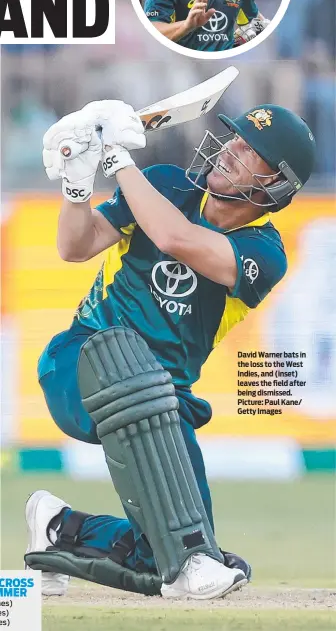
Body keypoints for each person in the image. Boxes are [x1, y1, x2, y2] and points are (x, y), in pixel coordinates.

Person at [25, 98, 315, 601]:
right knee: (190, 553)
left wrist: (116, 160)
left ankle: (58, 528)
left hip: (163, 403)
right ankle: (189, 560)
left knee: (171, 554)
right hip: (80, 363)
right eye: (233, 139)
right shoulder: (165, 184)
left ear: (274, 183)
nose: (228, 150)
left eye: (249, 151)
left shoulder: (264, 255)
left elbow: (176, 238)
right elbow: (75, 247)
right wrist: (76, 187)